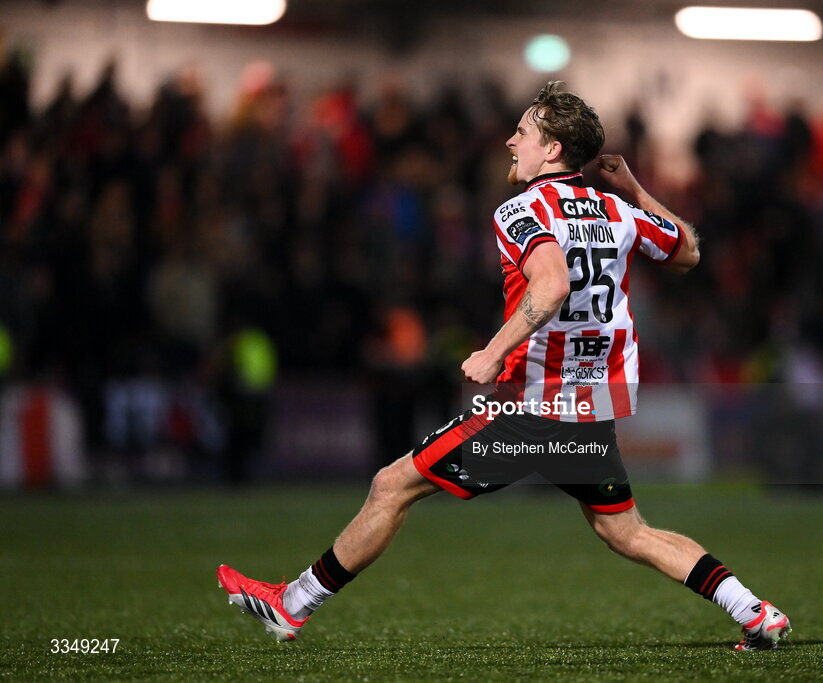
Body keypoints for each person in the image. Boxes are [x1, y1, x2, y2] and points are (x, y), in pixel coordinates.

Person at [217, 82, 791, 651]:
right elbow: (688, 249)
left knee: (391, 484)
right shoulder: (618, 210)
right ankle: (755, 611)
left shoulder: (523, 209)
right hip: (591, 405)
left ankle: (291, 606)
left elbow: (551, 285)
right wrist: (635, 187)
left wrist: (492, 351)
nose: (511, 142)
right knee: (626, 530)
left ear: (553, 151)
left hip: (541, 408)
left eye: (523, 133)